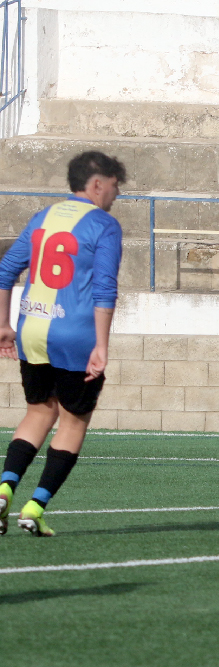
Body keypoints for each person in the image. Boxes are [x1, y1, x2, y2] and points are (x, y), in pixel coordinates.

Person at [0, 151, 126, 537]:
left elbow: (6, 269)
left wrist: (3, 324)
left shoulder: (43, 216)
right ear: (97, 183)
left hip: (33, 329)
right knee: (72, 421)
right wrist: (101, 345)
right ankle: (35, 507)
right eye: (115, 186)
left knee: (38, 413)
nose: (116, 194)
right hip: (76, 336)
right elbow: (104, 288)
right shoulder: (104, 225)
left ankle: (4, 489)